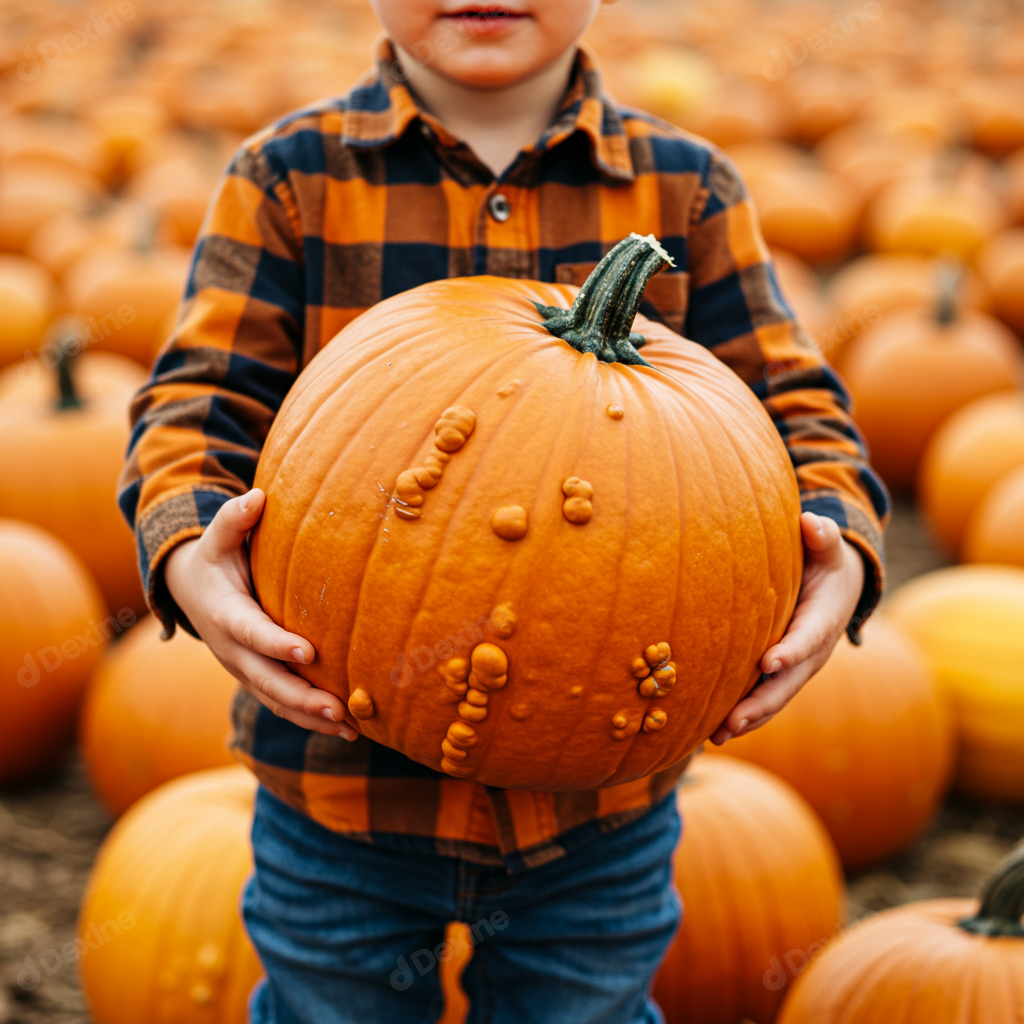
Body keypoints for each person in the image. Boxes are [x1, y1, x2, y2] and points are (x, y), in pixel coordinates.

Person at [118, 2, 889, 1021]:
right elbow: (195, 403)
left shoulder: (686, 187)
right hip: (339, 782)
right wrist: (187, 554)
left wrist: (842, 544)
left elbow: (795, 409)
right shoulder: (291, 176)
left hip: (602, 800)